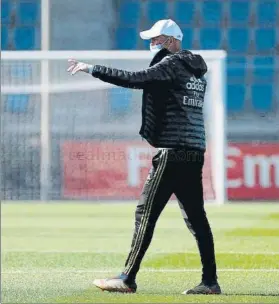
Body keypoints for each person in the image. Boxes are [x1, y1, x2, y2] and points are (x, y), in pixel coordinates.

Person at [67, 19, 221, 295]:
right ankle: (210, 281)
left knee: (145, 213)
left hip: (172, 152)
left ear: (172, 41)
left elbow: (134, 79)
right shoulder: (197, 72)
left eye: (157, 39)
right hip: (193, 152)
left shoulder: (172, 64)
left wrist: (92, 69)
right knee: (196, 218)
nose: (152, 44)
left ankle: (126, 277)